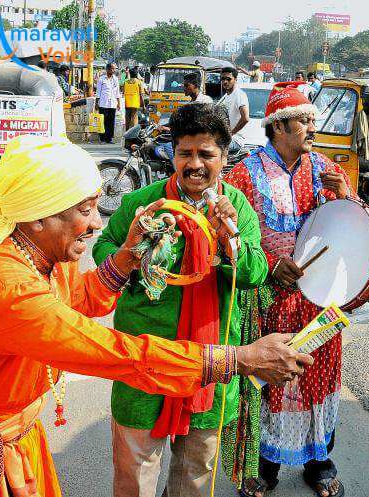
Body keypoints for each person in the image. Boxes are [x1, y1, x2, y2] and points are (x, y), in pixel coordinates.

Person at [0, 135, 312, 497]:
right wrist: (241, 358)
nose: (96, 224)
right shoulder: (9, 286)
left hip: (17, 431)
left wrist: (129, 256)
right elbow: (111, 351)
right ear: (39, 217)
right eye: (85, 210)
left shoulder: (40, 254)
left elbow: (78, 299)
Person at [93, 103, 271, 497]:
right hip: (146, 358)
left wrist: (229, 240)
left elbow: (255, 272)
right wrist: (133, 250)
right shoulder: (144, 203)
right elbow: (104, 248)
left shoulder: (237, 207)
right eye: (185, 153)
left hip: (210, 361)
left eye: (206, 154)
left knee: (194, 475)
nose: (195, 164)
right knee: (134, 475)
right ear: (173, 154)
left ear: (224, 157)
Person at [225, 81, 353, 497]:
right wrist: (270, 265)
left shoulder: (324, 168)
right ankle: (265, 468)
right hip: (268, 299)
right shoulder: (245, 172)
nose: (313, 127)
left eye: (314, 119)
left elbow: (351, 226)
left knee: (318, 377)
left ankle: (320, 462)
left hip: (319, 300)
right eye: (305, 120)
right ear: (280, 127)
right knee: (272, 381)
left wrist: (344, 194)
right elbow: (230, 235)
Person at [217, 67, 249, 153]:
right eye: (223, 79)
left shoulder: (239, 95)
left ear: (235, 79)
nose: (225, 82)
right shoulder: (226, 96)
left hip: (236, 140)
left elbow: (245, 118)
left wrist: (231, 133)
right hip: (226, 138)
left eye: (228, 79)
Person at [96, 62, 121, 143]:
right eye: (111, 68)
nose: (113, 70)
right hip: (103, 103)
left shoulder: (116, 79)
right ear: (107, 69)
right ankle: (102, 138)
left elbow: (117, 92)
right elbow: (98, 92)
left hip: (112, 103)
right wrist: (97, 103)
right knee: (103, 121)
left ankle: (109, 138)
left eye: (114, 69)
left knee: (111, 121)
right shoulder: (101, 79)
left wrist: (118, 103)